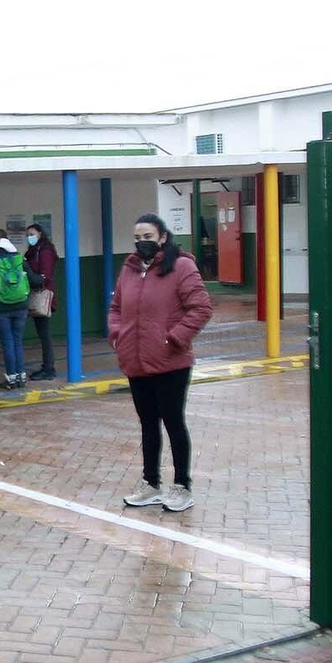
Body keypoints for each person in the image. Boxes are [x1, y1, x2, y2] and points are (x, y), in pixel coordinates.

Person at [108, 214, 214, 513]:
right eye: (138, 238)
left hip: (171, 362)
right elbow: (116, 308)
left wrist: (175, 338)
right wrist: (117, 333)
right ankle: (150, 483)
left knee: (173, 423)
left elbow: (201, 307)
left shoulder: (182, 267)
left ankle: (182, 486)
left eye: (148, 237)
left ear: (163, 237)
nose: (142, 243)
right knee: (147, 424)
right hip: (136, 360)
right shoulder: (129, 269)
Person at [0, 228, 36, 390]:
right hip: (21, 306)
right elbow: (31, 278)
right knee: (17, 341)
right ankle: (21, 376)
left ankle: (11, 378)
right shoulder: (18, 258)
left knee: (7, 343)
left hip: (1, 308)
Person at [24, 223, 59, 381]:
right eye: (27, 235)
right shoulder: (35, 251)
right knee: (42, 332)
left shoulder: (44, 251)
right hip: (37, 293)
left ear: (39, 233)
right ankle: (47, 367)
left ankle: (49, 368)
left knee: (44, 333)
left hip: (43, 295)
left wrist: (31, 274)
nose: (29, 237)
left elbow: (46, 275)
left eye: (32, 234)